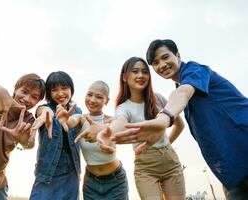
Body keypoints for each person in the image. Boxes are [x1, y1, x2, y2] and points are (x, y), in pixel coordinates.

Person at [113, 39, 248, 200]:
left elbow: (183, 93)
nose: (161, 65)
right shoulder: (179, 86)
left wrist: (164, 119)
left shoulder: (195, 71)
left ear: (178, 55)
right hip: (232, 172)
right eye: (155, 63)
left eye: (165, 57)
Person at [99, 57, 185, 200]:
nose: (141, 76)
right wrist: (107, 133)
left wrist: (165, 144)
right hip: (145, 168)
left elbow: (179, 125)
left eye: (145, 72)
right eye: (135, 71)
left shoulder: (158, 99)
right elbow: (120, 122)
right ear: (125, 77)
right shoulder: (123, 107)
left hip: (171, 163)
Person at [56, 81, 129, 200]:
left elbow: (126, 127)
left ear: (106, 100)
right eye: (89, 95)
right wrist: (65, 119)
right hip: (91, 182)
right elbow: (71, 121)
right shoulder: (81, 119)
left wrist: (104, 130)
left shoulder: (113, 121)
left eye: (99, 97)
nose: (92, 100)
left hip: (115, 181)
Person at [29, 71, 82, 200]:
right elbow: (43, 112)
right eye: (54, 90)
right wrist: (44, 116)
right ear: (49, 93)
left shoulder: (76, 110)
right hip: (48, 173)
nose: (60, 93)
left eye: (64, 88)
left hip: (72, 172)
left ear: (71, 89)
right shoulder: (44, 108)